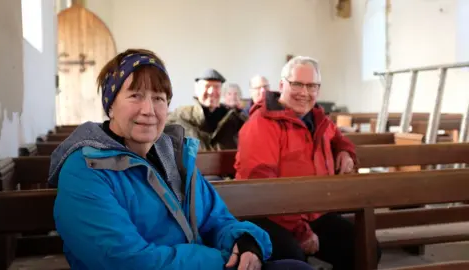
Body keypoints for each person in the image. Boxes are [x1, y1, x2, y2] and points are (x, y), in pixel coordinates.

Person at [48, 49, 314, 270]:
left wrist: (245, 241)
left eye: (159, 98)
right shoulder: (84, 172)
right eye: (135, 96)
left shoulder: (172, 158)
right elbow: (128, 261)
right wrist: (221, 260)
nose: (149, 110)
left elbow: (216, 219)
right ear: (110, 104)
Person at [234, 56, 381, 269]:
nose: (304, 92)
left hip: (314, 212)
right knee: (294, 258)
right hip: (269, 216)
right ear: (282, 85)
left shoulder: (318, 118)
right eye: (297, 84)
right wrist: (300, 230)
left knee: (365, 248)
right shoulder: (261, 124)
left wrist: (344, 151)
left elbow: (339, 138)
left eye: (311, 86)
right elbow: (260, 189)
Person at [166, 69, 247, 151]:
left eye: (216, 87)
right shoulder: (181, 116)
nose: (211, 91)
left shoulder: (235, 119)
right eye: (207, 86)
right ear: (197, 90)